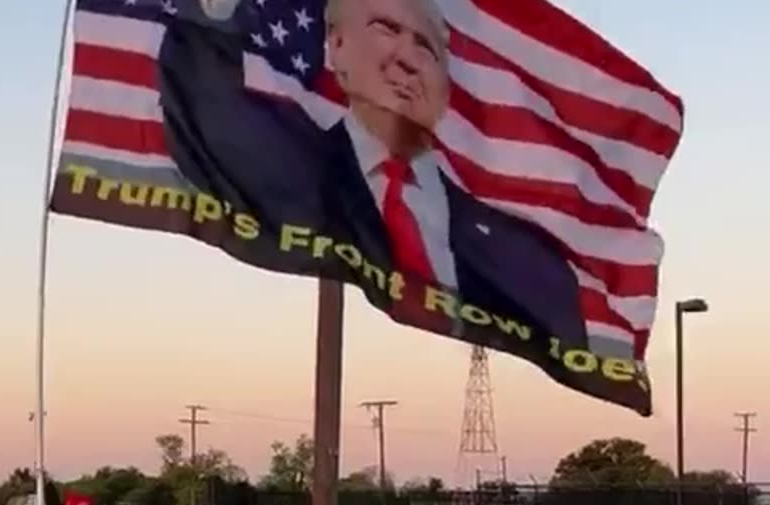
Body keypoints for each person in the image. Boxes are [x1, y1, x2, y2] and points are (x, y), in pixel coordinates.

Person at [159, 0, 590, 350]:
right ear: (337, 47)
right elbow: (205, 86)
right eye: (386, 28)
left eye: (426, 47)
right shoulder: (289, 165)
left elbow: (561, 329)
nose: (406, 59)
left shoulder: (523, 253)